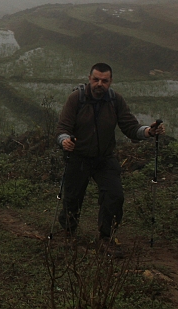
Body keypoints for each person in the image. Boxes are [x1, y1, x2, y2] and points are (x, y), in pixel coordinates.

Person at [56, 63, 165, 247]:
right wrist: (64, 140)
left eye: (104, 81)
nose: (100, 84)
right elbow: (62, 128)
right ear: (89, 79)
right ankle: (69, 231)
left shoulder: (116, 100)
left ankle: (106, 237)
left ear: (110, 81)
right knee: (72, 197)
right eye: (96, 79)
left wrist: (148, 131)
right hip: (79, 156)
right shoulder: (76, 99)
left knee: (115, 195)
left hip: (104, 157)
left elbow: (130, 126)